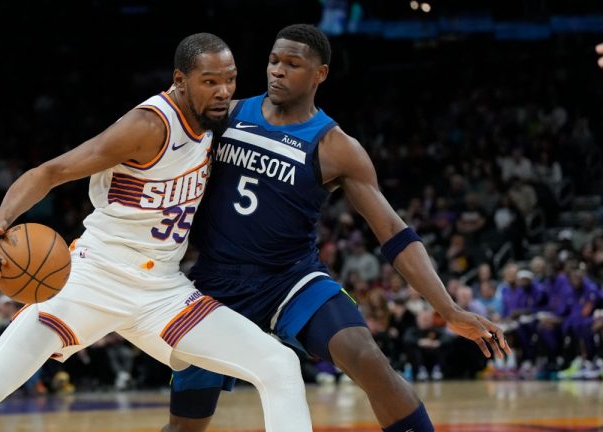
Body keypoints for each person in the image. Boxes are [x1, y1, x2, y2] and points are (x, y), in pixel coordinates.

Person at [0, 33, 313, 432]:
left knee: (279, 365)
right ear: (180, 81)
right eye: (211, 81)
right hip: (91, 279)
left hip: (161, 291)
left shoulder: (215, 119)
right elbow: (50, 171)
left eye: (230, 80)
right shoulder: (148, 126)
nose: (224, 91)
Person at [162, 24, 510, 432]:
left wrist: (447, 308)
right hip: (214, 284)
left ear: (320, 74)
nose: (277, 71)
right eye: (274, 61)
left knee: (369, 359)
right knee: (186, 426)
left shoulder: (335, 146)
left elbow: (395, 234)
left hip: (289, 280)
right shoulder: (230, 115)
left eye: (292, 64)